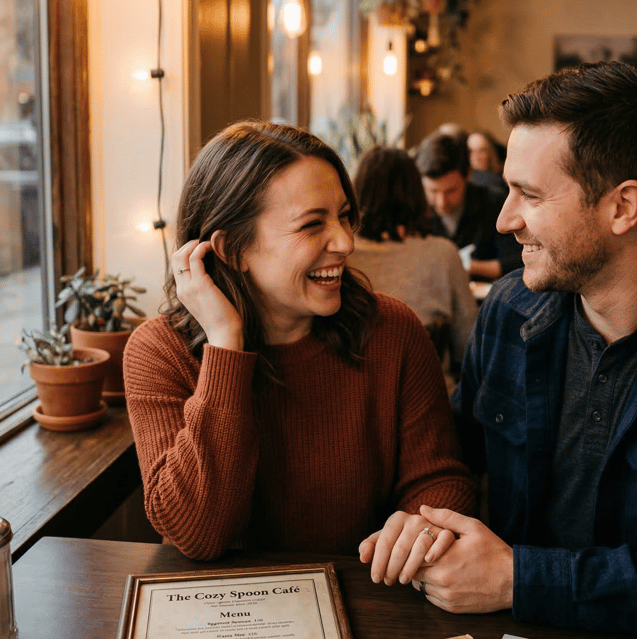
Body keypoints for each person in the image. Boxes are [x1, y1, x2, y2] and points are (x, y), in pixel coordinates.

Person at [361, 62, 637, 639]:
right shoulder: (509, 310)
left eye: (530, 195)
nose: (504, 218)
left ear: (623, 207)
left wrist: (518, 579)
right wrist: (422, 517)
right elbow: (450, 454)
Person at [123, 120, 475, 569]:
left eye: (345, 215)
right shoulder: (159, 352)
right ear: (232, 250)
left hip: (368, 594)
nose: (346, 242)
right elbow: (198, 534)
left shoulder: (392, 329)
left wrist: (419, 529)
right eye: (312, 225)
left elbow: (440, 479)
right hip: (226, 619)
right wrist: (227, 347)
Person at [347, 146, 478, 366]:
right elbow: (469, 344)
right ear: (417, 194)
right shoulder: (443, 254)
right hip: (432, 392)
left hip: (355, 393)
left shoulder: (341, 255)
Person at [415, 131, 521, 280]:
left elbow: (514, 262)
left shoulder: (493, 202)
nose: (441, 202)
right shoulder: (414, 210)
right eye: (433, 191)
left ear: (468, 175)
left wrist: (468, 266)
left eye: (451, 191)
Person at [467, 129, 508, 197]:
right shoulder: (470, 182)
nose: (476, 157)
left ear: (491, 153)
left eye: (481, 151)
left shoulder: (504, 176)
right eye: (471, 152)